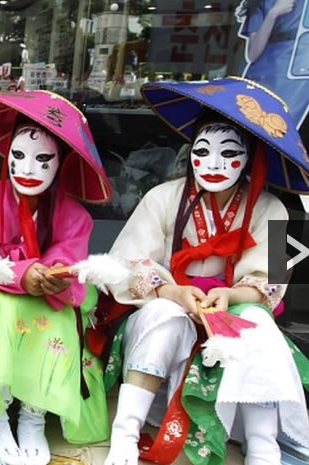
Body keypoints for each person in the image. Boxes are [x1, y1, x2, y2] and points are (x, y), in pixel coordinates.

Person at [95, 77, 309, 465]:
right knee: (164, 316)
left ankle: (264, 446)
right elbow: (125, 262)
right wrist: (173, 292)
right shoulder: (161, 197)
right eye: (202, 150)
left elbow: (274, 280)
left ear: (250, 157)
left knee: (258, 325)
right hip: (169, 304)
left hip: (232, 308)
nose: (212, 163)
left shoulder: (274, 209)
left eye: (228, 153)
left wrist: (230, 295)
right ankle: (125, 434)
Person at [0, 90, 113, 465]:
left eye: (43, 160)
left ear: (61, 163)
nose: (27, 168)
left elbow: (70, 259)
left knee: (59, 317)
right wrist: (24, 273)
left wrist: (55, 274)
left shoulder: (74, 216)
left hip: (46, 298)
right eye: (19, 155)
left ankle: (33, 414)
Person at [238, 0, 309, 128]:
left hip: (299, 76)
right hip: (266, 75)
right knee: (259, 127)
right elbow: (253, 53)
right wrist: (273, 14)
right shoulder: (261, 3)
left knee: (285, 129)